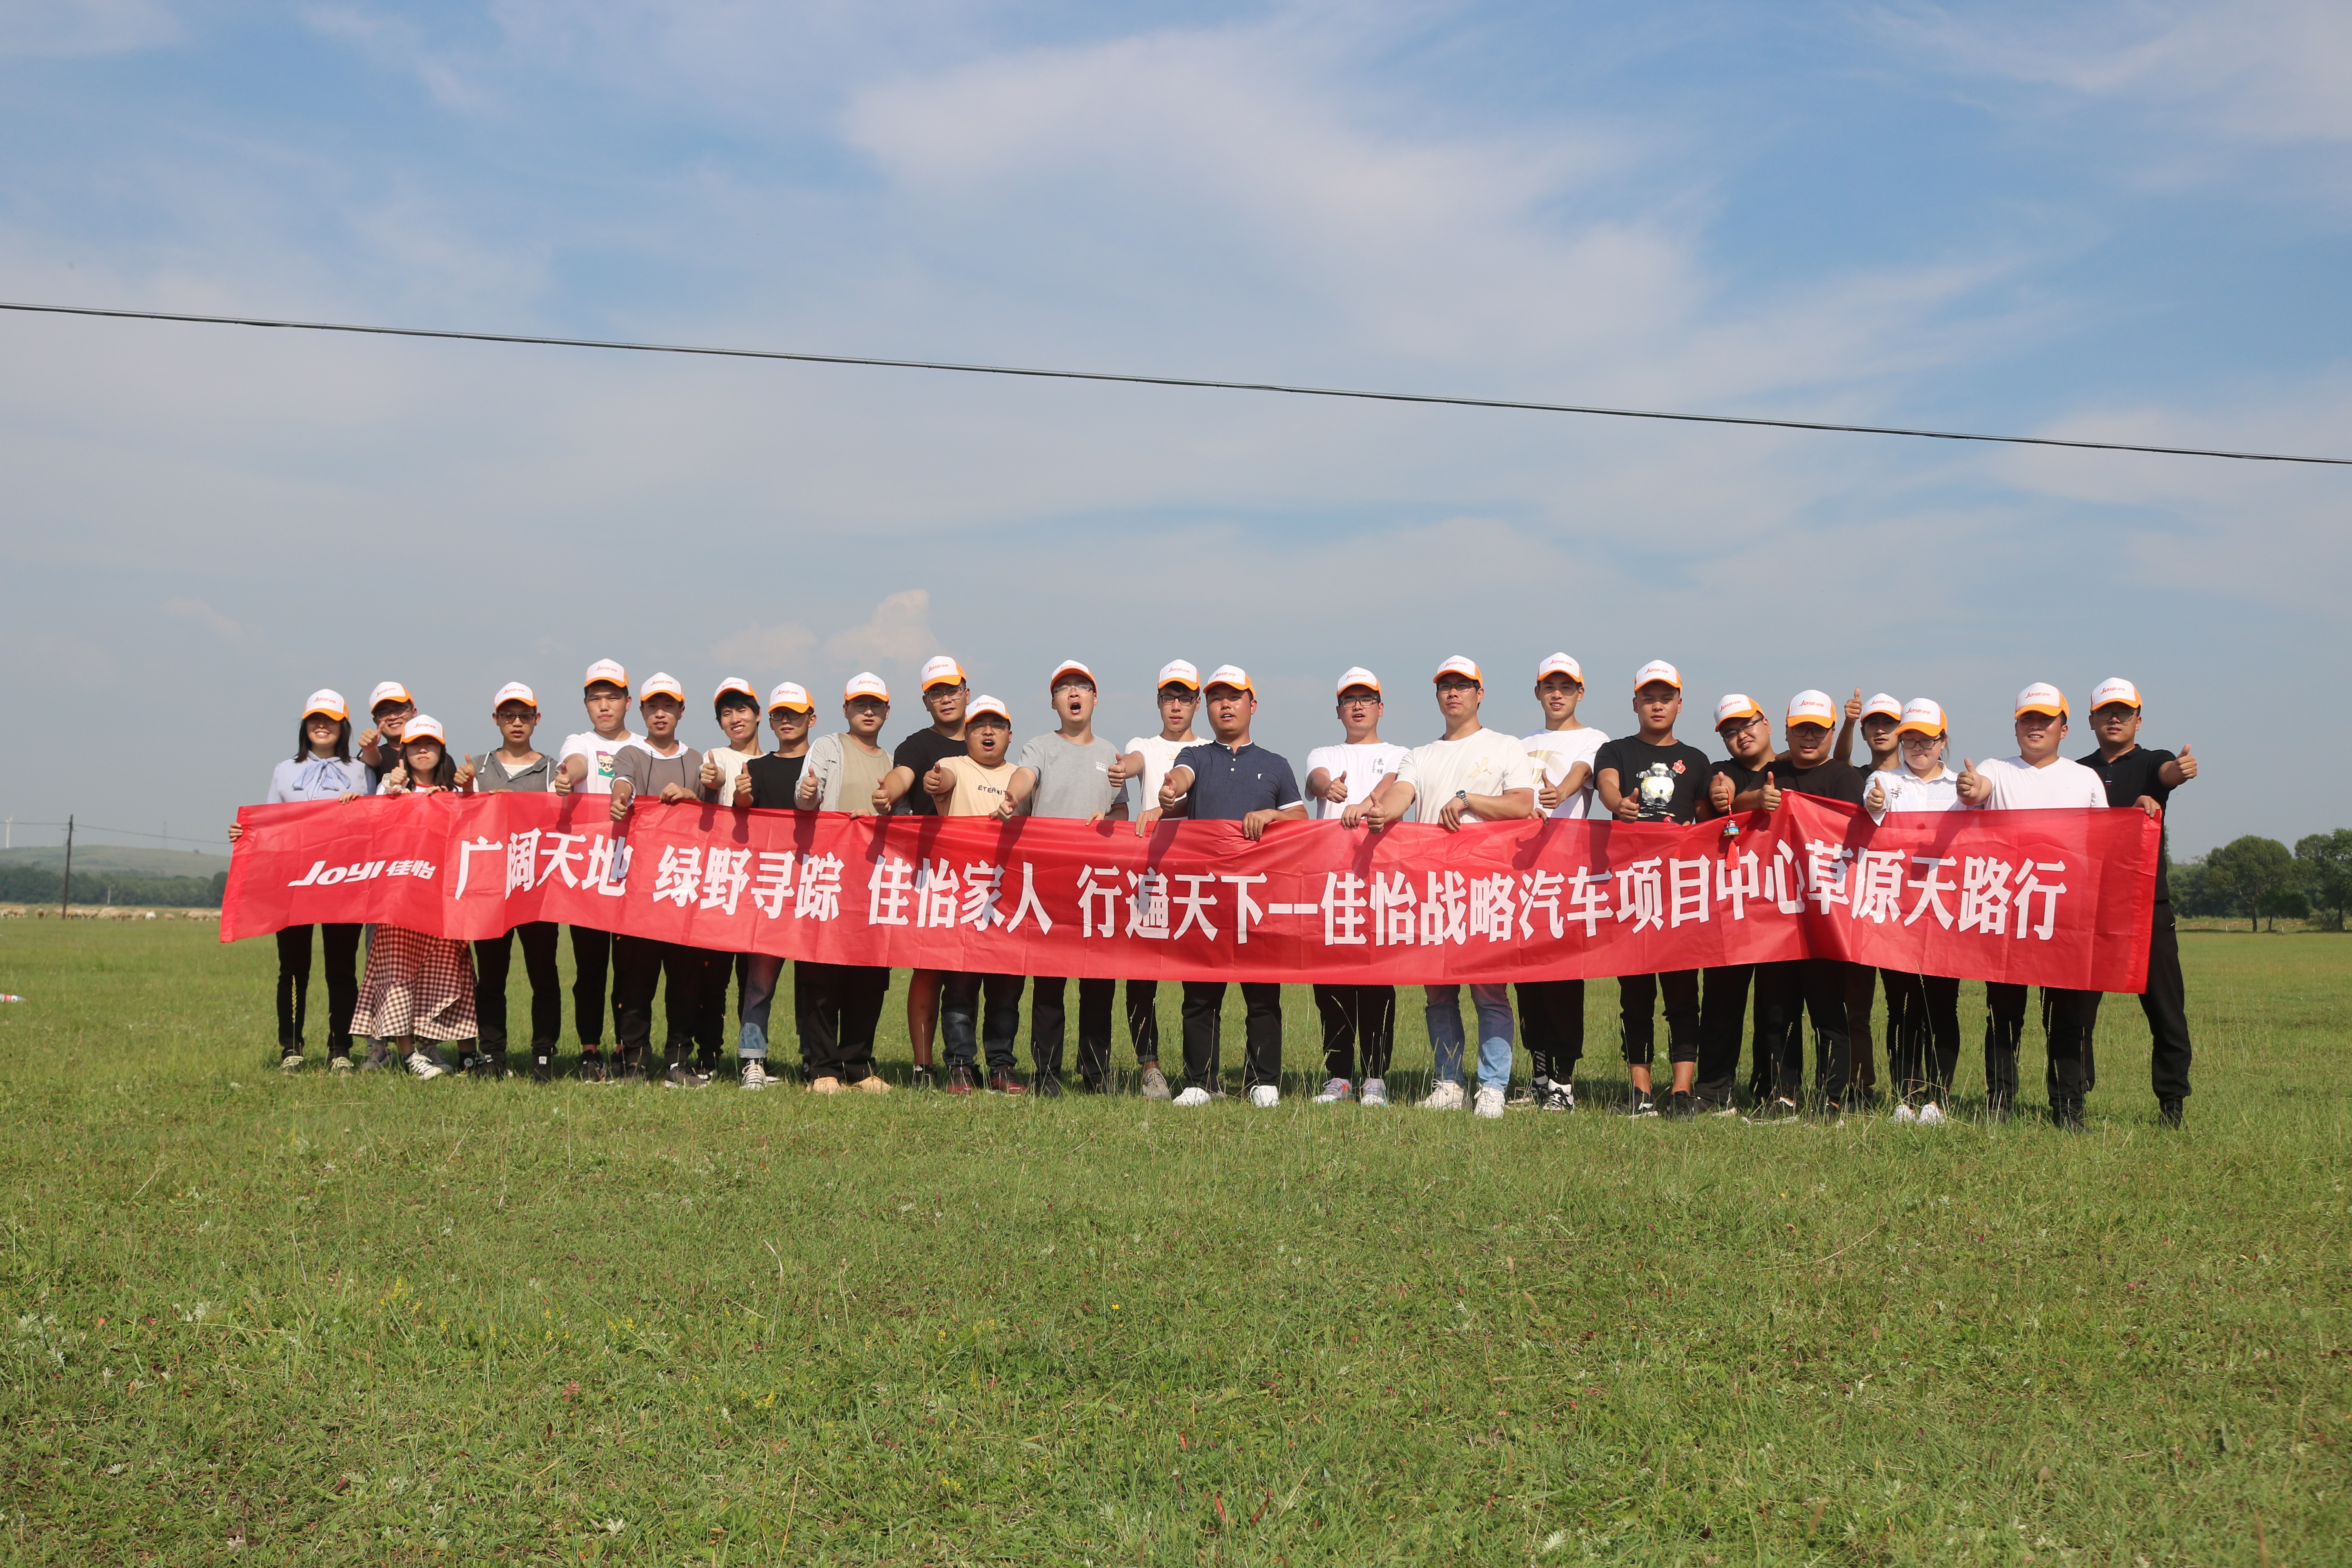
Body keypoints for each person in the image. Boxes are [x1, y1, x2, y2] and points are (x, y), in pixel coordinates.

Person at [1357, 657, 1539, 1120]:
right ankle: (1448, 1081)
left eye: (1463, 686)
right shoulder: (1420, 754)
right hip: (1431, 889)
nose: (1453, 693)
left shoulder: (1504, 746)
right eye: (1445, 687)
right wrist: (1386, 812)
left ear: (1481, 694)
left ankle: (1493, 1085)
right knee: (1438, 993)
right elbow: (1403, 791)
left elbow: (1523, 803)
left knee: (1489, 993)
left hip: (1486, 889)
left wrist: (1467, 799)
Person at [1955, 683, 2110, 1129]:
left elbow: (2103, 846)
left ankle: (2068, 1108)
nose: (2036, 726)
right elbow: (1977, 790)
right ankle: (2000, 1103)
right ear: (2017, 726)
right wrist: (1971, 788)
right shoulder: (1996, 769)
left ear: (2064, 727)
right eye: (2028, 719)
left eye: (2045, 719)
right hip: (2009, 917)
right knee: (2004, 1016)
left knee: (2066, 1018)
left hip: (2067, 918)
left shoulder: (2084, 779)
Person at [1156, 666, 1306, 1108]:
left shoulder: (1275, 764)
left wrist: (1273, 817)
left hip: (1259, 900)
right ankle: (1200, 1081)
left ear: (1252, 705)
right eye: (1217, 697)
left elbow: (1301, 821)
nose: (1225, 704)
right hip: (1205, 898)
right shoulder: (1198, 756)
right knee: (1199, 996)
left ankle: (1263, 1080)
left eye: (1235, 697)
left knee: (1263, 995)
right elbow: (1179, 779)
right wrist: (1170, 791)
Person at [229, 690, 371, 1074]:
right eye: (314, 719)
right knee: (293, 968)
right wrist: (245, 833)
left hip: (344, 881)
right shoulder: (283, 771)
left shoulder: (361, 771)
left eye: (330, 719)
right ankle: (291, 1048)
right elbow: (269, 824)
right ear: (305, 726)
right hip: (292, 882)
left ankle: (340, 1047)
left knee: (341, 969)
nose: (321, 726)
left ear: (344, 725)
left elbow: (381, 821)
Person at [1592, 661, 1711, 1116]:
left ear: (1680, 703)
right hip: (1633, 889)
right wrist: (1617, 804)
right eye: (1649, 697)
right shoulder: (1617, 751)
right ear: (1635, 703)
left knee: (1683, 993)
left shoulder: (1697, 760)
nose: (1657, 704)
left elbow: (1707, 821)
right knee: (1635, 994)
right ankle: (1640, 1090)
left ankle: (1682, 1091)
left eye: (1666, 697)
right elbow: (1607, 785)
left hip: (1681, 892)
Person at [2078, 676, 2197, 1127]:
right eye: (2106, 711)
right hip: (2091, 909)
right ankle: (2074, 1099)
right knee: (2077, 1012)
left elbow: (2170, 774)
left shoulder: (2153, 763)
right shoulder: (2076, 772)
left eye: (2124, 712)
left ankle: (2172, 1105)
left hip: (2149, 906)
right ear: (2091, 720)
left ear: (2138, 720)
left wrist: (2178, 771)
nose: (2114, 718)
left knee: (2167, 1010)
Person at [1007, 660, 1126, 1095]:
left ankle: (1096, 1073)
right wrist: (1011, 794)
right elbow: (1025, 778)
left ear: (1095, 698)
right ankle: (1047, 1074)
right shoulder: (1040, 747)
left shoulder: (1110, 753)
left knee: (1098, 982)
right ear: (1054, 701)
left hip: (1098, 883)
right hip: (1050, 881)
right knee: (1050, 982)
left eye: (1082, 687)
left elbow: (1121, 810)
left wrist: (1110, 816)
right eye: (1064, 689)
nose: (1074, 694)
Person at [1750, 690, 1869, 1121]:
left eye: (1818, 730)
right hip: (1776, 914)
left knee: (1828, 1013)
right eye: (1801, 728)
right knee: (1777, 1011)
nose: (1809, 737)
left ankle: (1831, 1098)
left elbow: (1862, 836)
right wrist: (1752, 801)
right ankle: (1783, 1096)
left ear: (1832, 732)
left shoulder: (1845, 777)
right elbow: (1739, 812)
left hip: (1826, 917)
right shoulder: (1772, 772)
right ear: (1787, 730)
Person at [350, 717, 475, 1080]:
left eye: (431, 744)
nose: (424, 750)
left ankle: (428, 1046)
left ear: (441, 751)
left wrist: (463, 794)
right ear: (403, 750)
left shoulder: (453, 795)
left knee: (441, 974)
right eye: (416, 744)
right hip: (398, 902)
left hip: (440, 903)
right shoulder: (390, 793)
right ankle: (407, 1054)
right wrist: (394, 790)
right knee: (398, 976)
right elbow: (373, 825)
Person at [1303, 668, 1406, 1107]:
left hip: (1383, 885)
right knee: (1332, 984)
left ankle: (1376, 1077)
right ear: (1339, 710)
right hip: (1332, 885)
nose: (1358, 706)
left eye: (1367, 699)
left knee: (1377, 982)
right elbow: (1316, 781)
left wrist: (1365, 803)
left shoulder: (1401, 752)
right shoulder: (1323, 752)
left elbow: (1393, 785)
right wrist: (1332, 787)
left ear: (1381, 707)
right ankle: (1339, 1075)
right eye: (1350, 700)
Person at [793, 673, 898, 1094]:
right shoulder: (827, 748)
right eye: (860, 704)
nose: (868, 711)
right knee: (821, 973)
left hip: (873, 882)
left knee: (869, 975)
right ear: (846, 710)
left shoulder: (890, 761)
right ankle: (822, 1067)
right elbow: (805, 799)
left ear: (887, 711)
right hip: (829, 876)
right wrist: (807, 792)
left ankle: (858, 1064)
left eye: (875, 705)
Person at [1862, 698, 1965, 1125]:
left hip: (1947, 912)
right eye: (1911, 739)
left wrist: (1978, 795)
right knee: (1901, 1005)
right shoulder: (1884, 780)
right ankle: (1906, 1094)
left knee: (1941, 1005)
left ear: (1944, 740)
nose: (1919, 747)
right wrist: (1875, 801)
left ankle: (1937, 1100)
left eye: (1928, 739)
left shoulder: (1962, 786)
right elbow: (1872, 809)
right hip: (1897, 913)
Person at [1110, 660, 1204, 1101]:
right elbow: (1132, 762)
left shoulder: (1208, 748)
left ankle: (1200, 1072)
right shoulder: (1144, 745)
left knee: (1198, 981)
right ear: (1159, 701)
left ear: (1197, 702)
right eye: (1169, 696)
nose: (1177, 706)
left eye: (1185, 697)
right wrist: (1121, 770)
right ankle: (1151, 1068)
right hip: (1149, 878)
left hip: (1197, 879)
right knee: (1142, 978)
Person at [877, 655, 972, 1089]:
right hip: (932, 875)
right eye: (936, 692)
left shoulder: (986, 737)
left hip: (981, 874)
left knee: (974, 970)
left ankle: (965, 1063)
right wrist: (888, 792)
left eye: (952, 689)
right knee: (929, 967)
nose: (946, 698)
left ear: (966, 692)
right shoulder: (917, 744)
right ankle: (923, 1065)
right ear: (926, 701)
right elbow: (902, 776)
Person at [608, 674, 707, 1087]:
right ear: (642, 710)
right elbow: (623, 782)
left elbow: (710, 815)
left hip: (681, 888)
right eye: (653, 706)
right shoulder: (631, 752)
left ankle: (678, 1061)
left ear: (682, 711)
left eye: (669, 706)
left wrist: (691, 797)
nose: (661, 713)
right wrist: (619, 797)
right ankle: (633, 1060)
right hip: (637, 891)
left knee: (684, 982)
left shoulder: (697, 760)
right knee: (635, 980)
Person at [1517, 653, 1606, 1111]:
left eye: (1566, 687)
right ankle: (1538, 1078)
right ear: (1537, 693)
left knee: (1565, 979)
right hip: (1520, 875)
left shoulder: (1594, 739)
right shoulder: (1521, 743)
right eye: (1549, 686)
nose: (1557, 694)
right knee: (1527, 979)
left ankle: (1564, 1084)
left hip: (1566, 876)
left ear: (1579, 693)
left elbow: (1583, 772)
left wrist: (1561, 792)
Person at [927, 695, 1026, 1094]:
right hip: (962, 897)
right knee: (961, 988)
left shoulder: (1021, 775)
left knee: (1007, 991)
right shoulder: (954, 767)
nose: (989, 732)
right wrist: (934, 782)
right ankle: (961, 1067)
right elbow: (941, 781)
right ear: (966, 733)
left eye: (997, 725)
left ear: (1009, 734)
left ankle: (1001, 1066)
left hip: (1011, 899)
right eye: (980, 725)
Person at [552, 658, 642, 1082]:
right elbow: (577, 764)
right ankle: (590, 1049)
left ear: (628, 701)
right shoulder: (581, 742)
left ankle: (628, 1048)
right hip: (586, 876)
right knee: (590, 967)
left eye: (612, 698)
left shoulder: (643, 747)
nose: (604, 706)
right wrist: (569, 776)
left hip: (631, 876)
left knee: (629, 966)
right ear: (587, 704)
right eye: (595, 699)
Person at [466, 682, 562, 1082]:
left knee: (544, 974)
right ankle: (492, 1055)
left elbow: (563, 825)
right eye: (509, 715)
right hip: (490, 890)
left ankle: (543, 1055)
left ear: (537, 719)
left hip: (538, 890)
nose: (517, 723)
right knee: (491, 977)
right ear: (496, 720)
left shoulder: (554, 770)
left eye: (525, 715)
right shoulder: (478, 768)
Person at [1694, 693, 1779, 1114]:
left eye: (1747, 725)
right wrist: (1743, 800)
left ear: (1766, 723)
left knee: (1776, 1003)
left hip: (1782, 905)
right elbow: (1718, 799)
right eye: (1730, 731)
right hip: (1731, 903)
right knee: (1722, 1000)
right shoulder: (1721, 772)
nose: (1741, 735)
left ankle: (1772, 1090)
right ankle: (1713, 1092)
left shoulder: (1791, 769)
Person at [734, 682, 815, 1091]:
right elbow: (741, 819)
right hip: (769, 888)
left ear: (811, 720)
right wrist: (741, 796)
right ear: (771, 721)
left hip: (817, 887)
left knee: (811, 981)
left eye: (795, 714)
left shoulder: (823, 764)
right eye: (780, 714)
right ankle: (753, 1060)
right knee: (760, 980)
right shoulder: (758, 769)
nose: (787, 721)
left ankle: (812, 1060)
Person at [1831, 691, 1904, 1105]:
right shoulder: (1854, 777)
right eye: (1873, 724)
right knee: (1855, 1004)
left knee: (1903, 1006)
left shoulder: (1918, 777)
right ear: (1864, 731)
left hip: (1904, 905)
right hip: (1859, 905)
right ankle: (1860, 1084)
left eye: (1889, 724)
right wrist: (1844, 724)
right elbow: (1838, 762)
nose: (1881, 730)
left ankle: (1908, 1088)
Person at [691, 678, 762, 1081]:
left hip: (762, 884)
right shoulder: (715, 757)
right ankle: (708, 1054)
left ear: (757, 713)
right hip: (722, 881)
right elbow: (708, 785)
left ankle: (750, 1055)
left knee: (752, 977)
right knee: (713, 976)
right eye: (726, 712)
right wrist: (711, 782)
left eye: (742, 709)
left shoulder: (774, 759)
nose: (735, 718)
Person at [356, 681, 417, 783]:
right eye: (384, 713)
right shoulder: (377, 753)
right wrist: (369, 749)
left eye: (399, 709)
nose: (393, 717)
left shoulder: (436, 754)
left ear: (414, 712)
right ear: (376, 721)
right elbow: (372, 760)